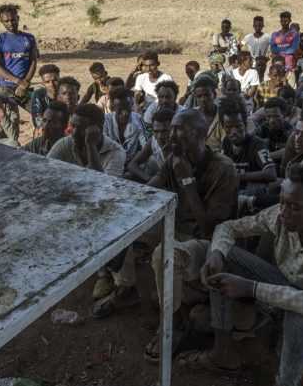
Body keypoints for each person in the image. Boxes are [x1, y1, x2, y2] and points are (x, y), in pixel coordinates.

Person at [176, 163, 303, 386]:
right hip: (286, 287)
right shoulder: (280, 214)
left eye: (295, 207)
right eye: (283, 201)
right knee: (221, 252)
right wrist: (217, 253)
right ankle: (222, 352)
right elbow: (228, 228)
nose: (284, 211)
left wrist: (252, 288)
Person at [102, 109, 239, 326]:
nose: (171, 136)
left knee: (162, 255)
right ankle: (126, 288)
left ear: (200, 135)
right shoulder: (176, 158)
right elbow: (151, 190)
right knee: (121, 222)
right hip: (176, 226)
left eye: (180, 130)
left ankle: (171, 325)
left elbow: (208, 229)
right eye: (171, 129)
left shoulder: (224, 169)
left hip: (208, 241)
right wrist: (123, 216)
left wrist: (187, 180)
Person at [47, 103, 126, 177]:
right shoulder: (66, 143)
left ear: (99, 129)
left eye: (81, 128)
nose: (74, 133)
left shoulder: (116, 152)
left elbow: (103, 185)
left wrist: (91, 145)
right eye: (73, 126)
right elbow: (46, 167)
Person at [0, 4, 39, 101]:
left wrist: (25, 82)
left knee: (40, 112)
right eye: (6, 21)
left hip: (25, 86)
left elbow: (33, 62)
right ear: (1, 22)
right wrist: (18, 81)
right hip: (5, 87)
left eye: (13, 20)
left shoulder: (29, 38)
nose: (10, 23)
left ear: (18, 18)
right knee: (9, 115)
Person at [103, 87, 148, 172]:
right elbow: (102, 148)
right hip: (109, 164)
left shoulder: (137, 119)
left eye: (128, 108)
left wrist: (133, 164)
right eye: (120, 109)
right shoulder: (105, 121)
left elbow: (145, 146)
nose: (125, 113)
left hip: (131, 165)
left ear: (131, 105)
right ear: (113, 107)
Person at [127, 107, 175, 182]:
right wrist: (148, 178)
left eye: (164, 131)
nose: (159, 136)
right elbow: (132, 165)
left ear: (173, 130)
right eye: (156, 131)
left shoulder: (182, 145)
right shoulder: (153, 141)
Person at [29, 64, 60, 131]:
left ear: (59, 79)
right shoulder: (38, 95)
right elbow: (38, 121)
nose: (52, 84)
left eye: (55, 80)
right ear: (43, 83)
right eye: (47, 82)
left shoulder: (66, 93)